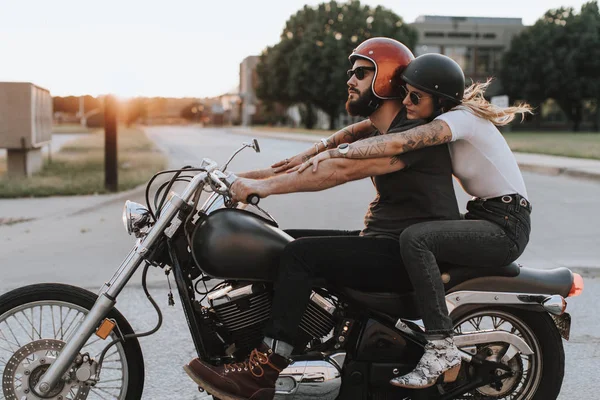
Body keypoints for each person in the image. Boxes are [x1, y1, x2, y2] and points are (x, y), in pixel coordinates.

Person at [183, 38, 461, 400]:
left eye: (362, 73)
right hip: (380, 239)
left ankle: (267, 365)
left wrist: (261, 190)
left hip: (406, 252)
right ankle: (255, 341)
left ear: (388, 81)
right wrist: (231, 177)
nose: (350, 79)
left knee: (300, 255)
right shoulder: (376, 131)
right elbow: (296, 165)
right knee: (277, 241)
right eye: (352, 72)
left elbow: (334, 171)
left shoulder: (409, 137)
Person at [293, 53, 534, 389]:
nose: (405, 101)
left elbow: (396, 141)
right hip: (486, 215)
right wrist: (318, 147)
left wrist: (336, 154)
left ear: (440, 101)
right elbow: (367, 127)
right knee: (407, 240)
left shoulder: (459, 120)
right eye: (404, 92)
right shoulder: (441, 116)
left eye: (415, 96)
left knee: (415, 238)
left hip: (505, 226)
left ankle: (441, 346)